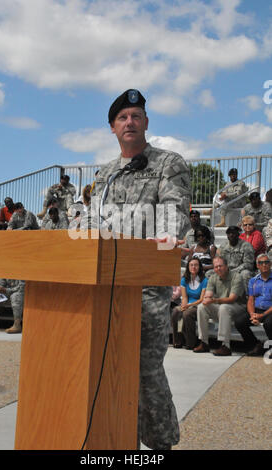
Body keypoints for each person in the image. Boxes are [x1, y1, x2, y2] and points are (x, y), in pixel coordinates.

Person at [82, 89, 191, 450]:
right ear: (112, 128)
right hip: (104, 288)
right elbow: (92, 221)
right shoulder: (107, 174)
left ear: (146, 122)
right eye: (122, 117)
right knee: (103, 369)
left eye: (136, 116)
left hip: (145, 288)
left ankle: (161, 445)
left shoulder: (167, 163)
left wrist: (164, 237)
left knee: (146, 371)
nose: (130, 122)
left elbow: (175, 213)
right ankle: (115, 441)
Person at [194, 255, 246, 356]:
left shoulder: (236, 277)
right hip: (221, 306)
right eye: (216, 266)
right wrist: (206, 299)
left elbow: (231, 299)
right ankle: (204, 342)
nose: (218, 268)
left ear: (226, 266)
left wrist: (214, 300)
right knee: (201, 307)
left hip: (238, 307)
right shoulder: (213, 277)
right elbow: (208, 294)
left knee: (224, 307)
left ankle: (225, 346)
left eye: (220, 266)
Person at [234, 253, 272, 356]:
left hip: (270, 311)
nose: (264, 265)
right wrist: (252, 314)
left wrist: (262, 316)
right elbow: (251, 299)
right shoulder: (253, 281)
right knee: (239, 321)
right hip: (256, 310)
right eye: (261, 263)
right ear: (257, 266)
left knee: (269, 323)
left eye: (266, 262)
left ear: (270, 264)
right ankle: (255, 344)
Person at [171, 257, 207, 349]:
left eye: (196, 265)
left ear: (199, 267)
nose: (193, 267)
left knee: (187, 314)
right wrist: (184, 305)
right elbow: (185, 297)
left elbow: (202, 299)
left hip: (198, 305)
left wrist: (189, 306)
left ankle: (190, 342)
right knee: (176, 311)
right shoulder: (184, 279)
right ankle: (178, 341)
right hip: (188, 303)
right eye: (191, 265)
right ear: (188, 267)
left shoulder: (204, 280)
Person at [217, 225, 254, 292]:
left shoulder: (246, 245)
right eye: (229, 233)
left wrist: (233, 271)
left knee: (246, 274)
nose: (231, 235)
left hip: (240, 271)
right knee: (209, 273)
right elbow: (219, 261)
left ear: (238, 234)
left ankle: (247, 297)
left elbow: (249, 264)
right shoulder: (223, 246)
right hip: (226, 271)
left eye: (233, 233)